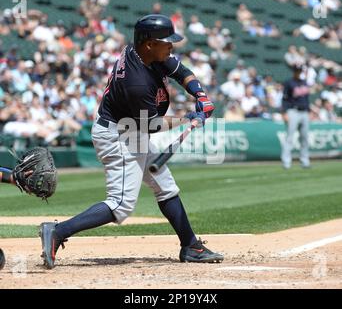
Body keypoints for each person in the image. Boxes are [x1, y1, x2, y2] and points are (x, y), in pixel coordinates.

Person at [39, 14, 223, 269]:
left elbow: (182, 72)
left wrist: (200, 95)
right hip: (118, 135)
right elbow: (152, 125)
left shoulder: (145, 54)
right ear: (149, 43)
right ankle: (57, 231)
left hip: (131, 130)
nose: (171, 46)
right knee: (120, 205)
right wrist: (187, 119)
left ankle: (190, 245)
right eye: (166, 42)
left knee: (165, 187)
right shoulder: (136, 81)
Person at [281, 65, 311, 169]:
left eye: (300, 71)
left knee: (305, 138)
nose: (298, 72)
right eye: (297, 71)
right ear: (294, 71)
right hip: (293, 111)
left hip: (304, 112)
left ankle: (305, 161)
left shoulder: (304, 82)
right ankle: (286, 162)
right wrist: (284, 113)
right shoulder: (289, 82)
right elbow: (284, 99)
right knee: (289, 137)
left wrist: (309, 111)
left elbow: (306, 99)